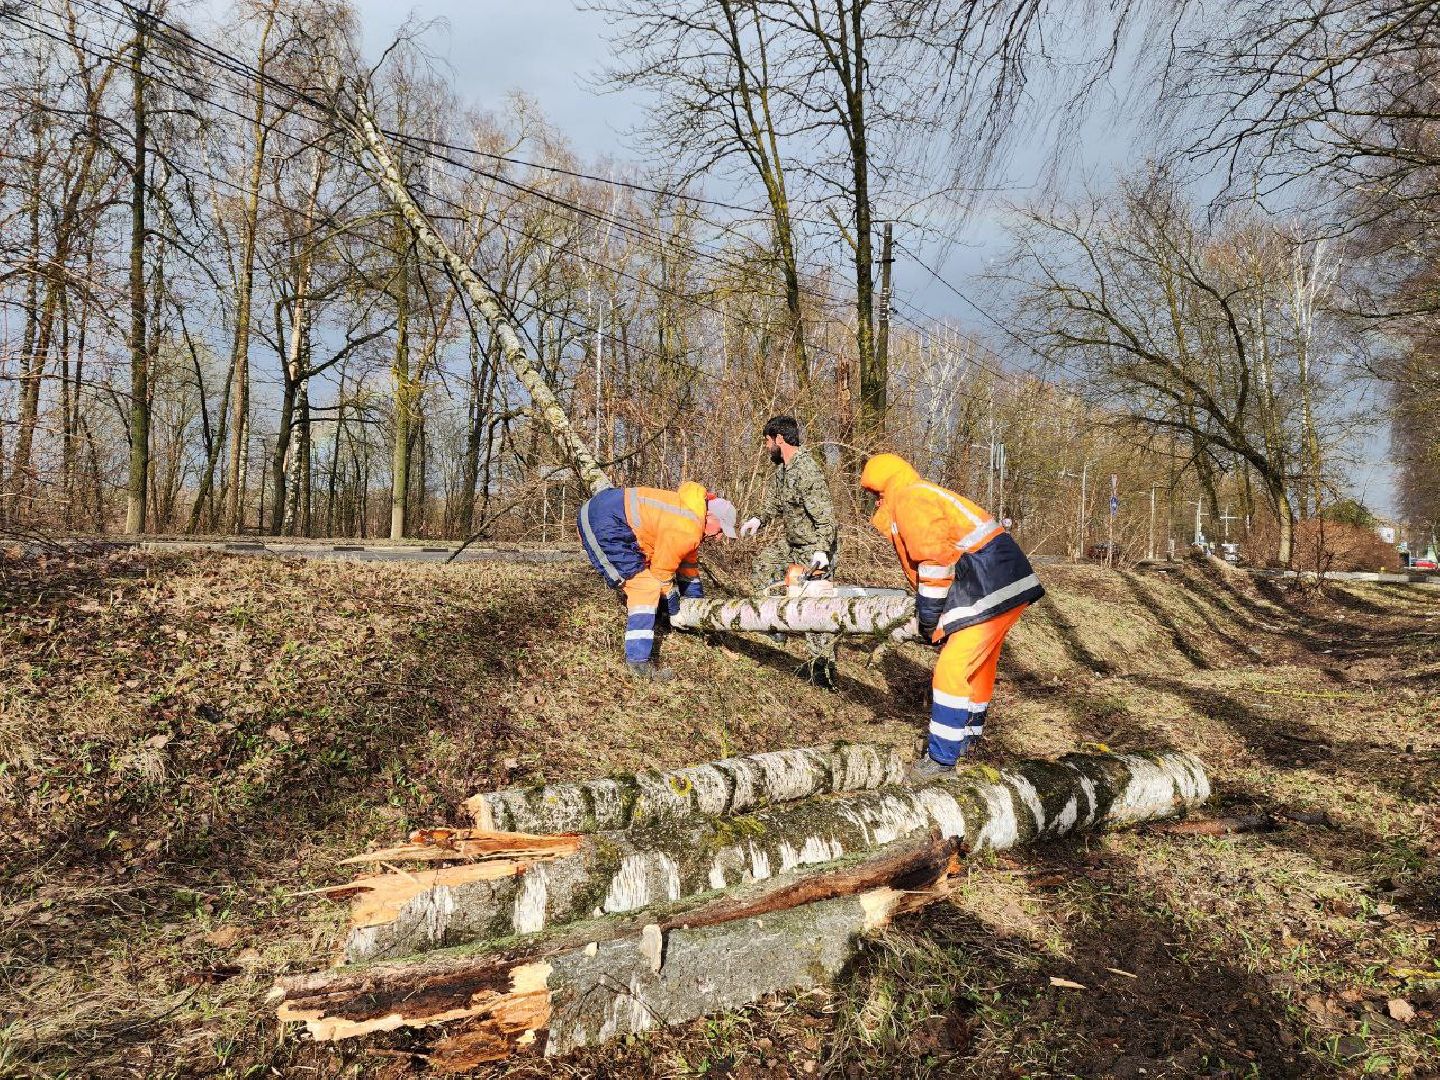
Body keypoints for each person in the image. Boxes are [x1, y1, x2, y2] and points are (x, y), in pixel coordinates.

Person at [859, 453, 1045, 782]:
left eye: (876, 494)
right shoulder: (919, 493)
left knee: (952, 668)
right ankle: (966, 739)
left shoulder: (911, 499)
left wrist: (929, 617)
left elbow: (934, 563)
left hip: (988, 583)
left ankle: (941, 761)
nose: (875, 501)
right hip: (1001, 581)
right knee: (979, 667)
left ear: (884, 488)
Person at [577, 482, 738, 681]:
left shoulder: (690, 513)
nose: (719, 537)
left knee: (651, 584)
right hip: (603, 522)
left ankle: (654, 622)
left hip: (605, 512)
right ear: (711, 517)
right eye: (721, 530)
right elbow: (661, 574)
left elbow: (688, 569)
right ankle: (638, 663)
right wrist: (672, 603)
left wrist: (697, 606)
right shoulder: (688, 527)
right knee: (646, 587)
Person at [740, 416, 838, 589]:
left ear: (779, 439)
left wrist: (821, 551)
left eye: (768, 441)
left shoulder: (806, 470)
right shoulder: (782, 470)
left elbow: (826, 518)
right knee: (763, 567)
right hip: (792, 544)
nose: (767, 447)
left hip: (813, 548)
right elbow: (774, 502)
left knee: (803, 592)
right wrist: (758, 519)